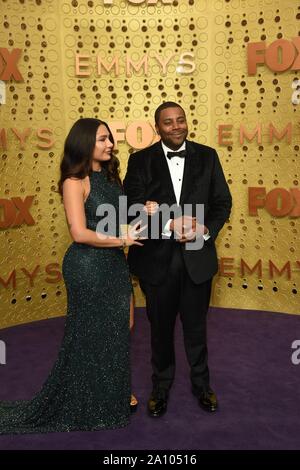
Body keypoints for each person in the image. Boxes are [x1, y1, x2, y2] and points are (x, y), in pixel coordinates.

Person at [0, 118, 143, 434]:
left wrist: (141, 215)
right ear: (84, 143)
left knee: (124, 324)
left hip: (113, 262)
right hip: (88, 266)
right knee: (90, 330)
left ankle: (111, 389)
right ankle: (94, 398)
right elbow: (79, 233)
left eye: (110, 139)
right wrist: (122, 240)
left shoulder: (110, 177)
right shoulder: (74, 181)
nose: (110, 144)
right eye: (103, 139)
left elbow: (111, 223)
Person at [124, 102, 232, 417]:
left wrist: (204, 229)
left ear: (187, 122)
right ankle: (161, 387)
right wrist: (171, 224)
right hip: (156, 262)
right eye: (168, 122)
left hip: (197, 259)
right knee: (159, 330)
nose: (176, 126)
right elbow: (131, 207)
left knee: (197, 328)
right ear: (158, 128)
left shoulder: (208, 156)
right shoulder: (140, 161)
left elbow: (222, 203)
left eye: (180, 120)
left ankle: (202, 385)